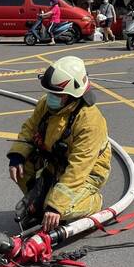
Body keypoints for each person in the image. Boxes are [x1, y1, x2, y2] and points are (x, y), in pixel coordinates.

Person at [7, 56, 111, 232]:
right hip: (55, 162)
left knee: (63, 209)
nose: (50, 98)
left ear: (72, 94)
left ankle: (93, 201)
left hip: (88, 173)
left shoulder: (90, 121)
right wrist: (18, 155)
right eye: (50, 92)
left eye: (56, 94)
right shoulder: (47, 104)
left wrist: (56, 206)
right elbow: (30, 128)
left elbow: (79, 167)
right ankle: (39, 204)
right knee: (22, 167)